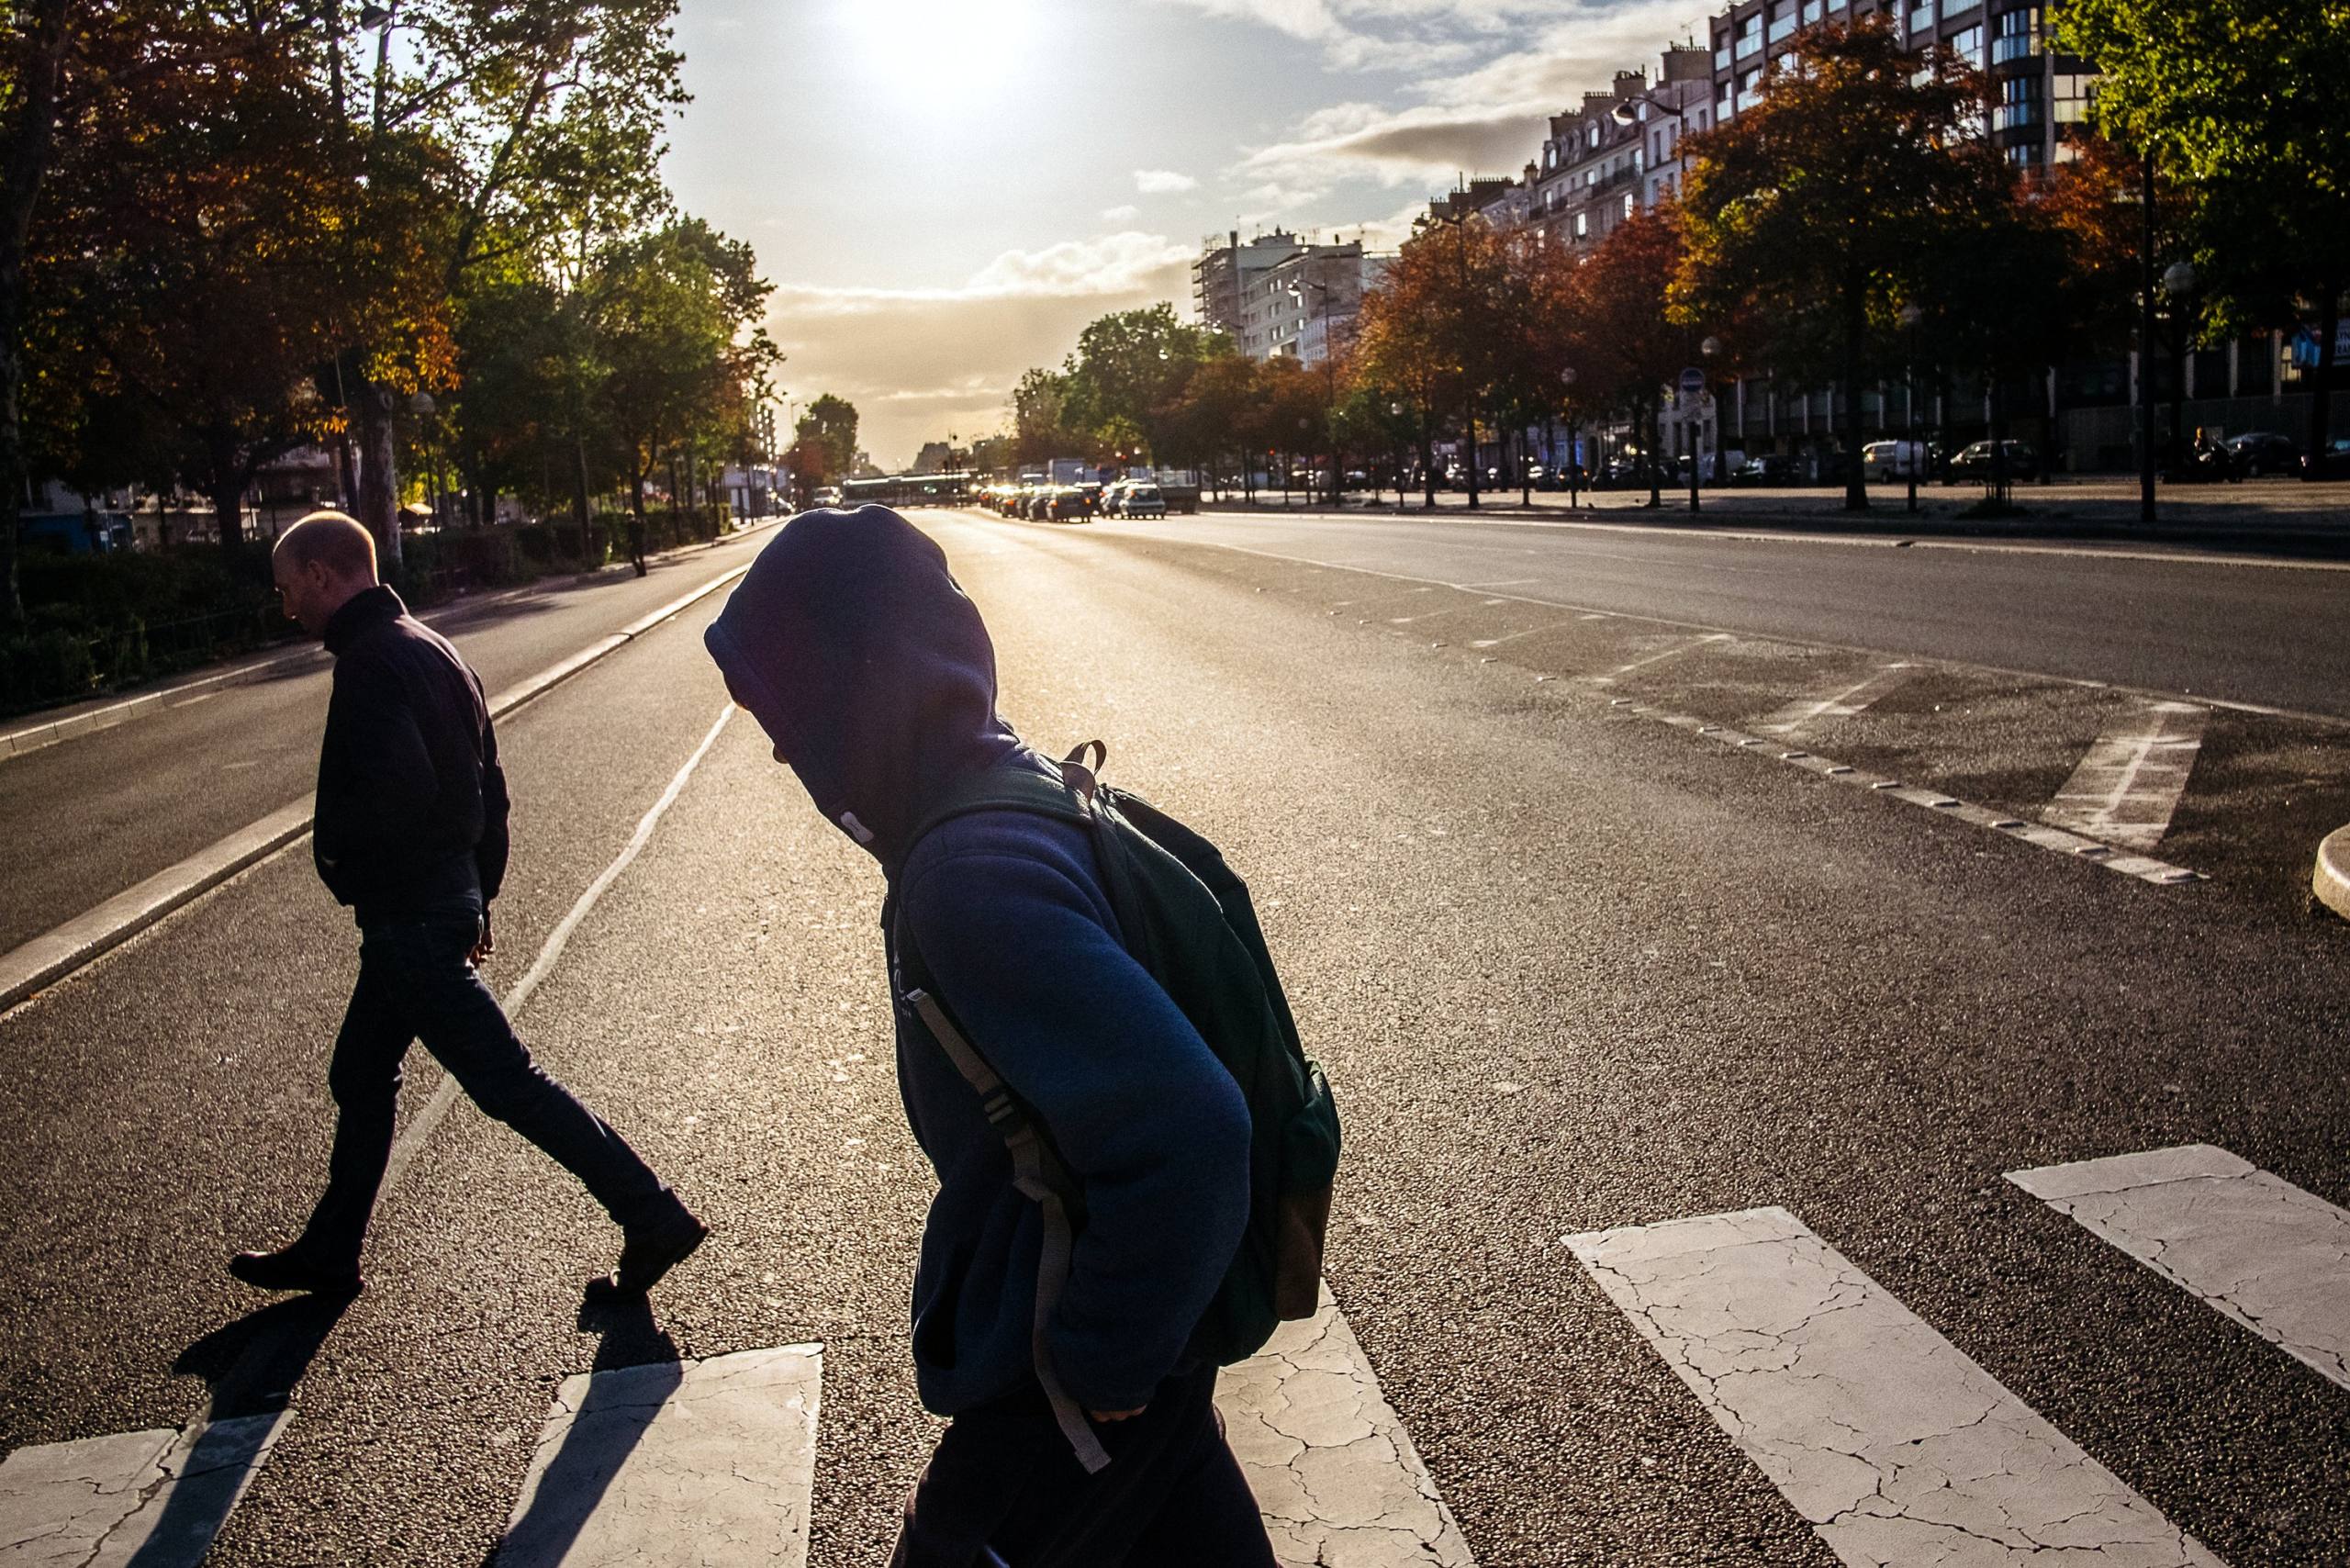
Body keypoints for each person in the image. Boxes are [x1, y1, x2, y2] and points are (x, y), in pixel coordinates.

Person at [703, 506, 1275, 1567]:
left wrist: (1103, 1361)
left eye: (786, 703)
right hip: (1134, 1329)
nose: (781, 747)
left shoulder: (966, 875)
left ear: (855, 688)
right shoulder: (1016, 791)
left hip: (1060, 1372)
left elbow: (1191, 1130)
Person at [232, 510, 705, 1299]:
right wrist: (477, 894)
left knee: (507, 1081)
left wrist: (345, 860)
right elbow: (492, 787)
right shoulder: (435, 649)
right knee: (361, 1072)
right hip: (435, 903)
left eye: (290, 590)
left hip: (407, 916)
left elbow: (400, 791)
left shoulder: (371, 661)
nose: (290, 610)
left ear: (322, 573)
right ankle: (331, 1248)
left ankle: (651, 1213)